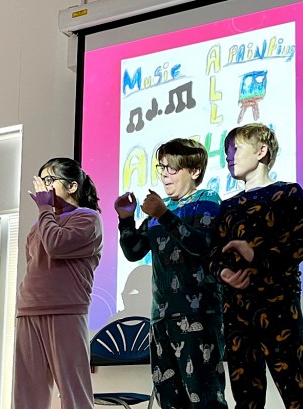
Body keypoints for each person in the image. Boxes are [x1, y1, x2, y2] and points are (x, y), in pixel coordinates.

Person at [208, 123, 303, 409]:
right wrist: (224, 273)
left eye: (236, 149)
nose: (229, 156)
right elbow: (214, 255)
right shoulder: (228, 206)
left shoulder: (288, 194)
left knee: (295, 390)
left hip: (278, 306)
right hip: (236, 312)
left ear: (261, 151)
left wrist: (254, 253)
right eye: (227, 151)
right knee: (246, 396)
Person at [115, 138, 227, 408]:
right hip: (161, 317)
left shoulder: (206, 200)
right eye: (161, 167)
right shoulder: (160, 210)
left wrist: (164, 215)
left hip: (198, 314)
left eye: (172, 168)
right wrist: (126, 219)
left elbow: (201, 245)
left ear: (194, 171)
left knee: (204, 397)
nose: (164, 174)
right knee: (169, 398)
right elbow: (134, 251)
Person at [13, 157, 103, 409]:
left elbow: (56, 246)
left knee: (73, 391)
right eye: (42, 181)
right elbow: (33, 263)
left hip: (66, 309)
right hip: (29, 308)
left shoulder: (88, 218)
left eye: (50, 180)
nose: (44, 187)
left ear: (72, 186)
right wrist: (45, 214)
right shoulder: (40, 224)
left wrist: (44, 210)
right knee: (27, 393)